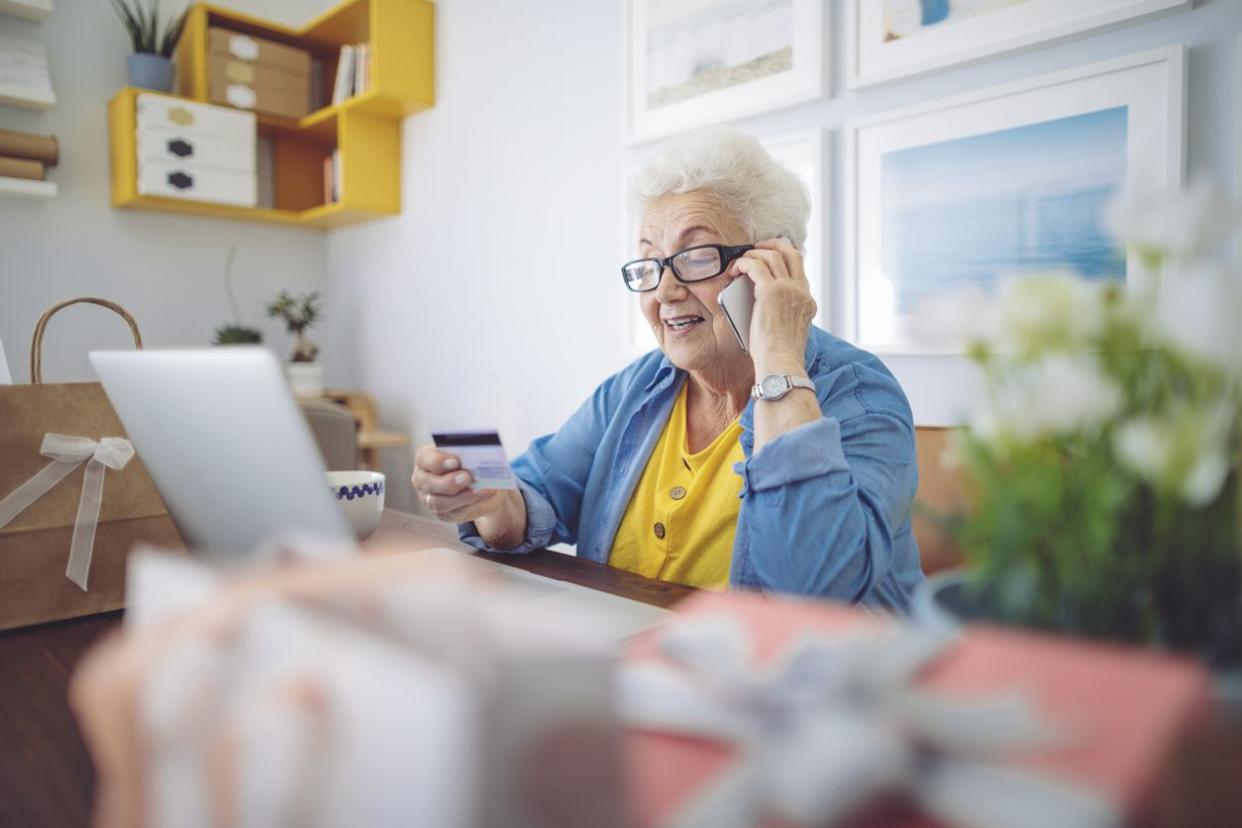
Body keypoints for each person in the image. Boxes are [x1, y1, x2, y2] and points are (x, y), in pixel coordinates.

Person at [412, 129, 923, 610]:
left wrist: (778, 357)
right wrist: (487, 498)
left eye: (696, 257)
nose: (664, 292)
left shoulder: (860, 394)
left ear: (775, 266)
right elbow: (535, 495)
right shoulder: (638, 387)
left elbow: (811, 590)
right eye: (650, 264)